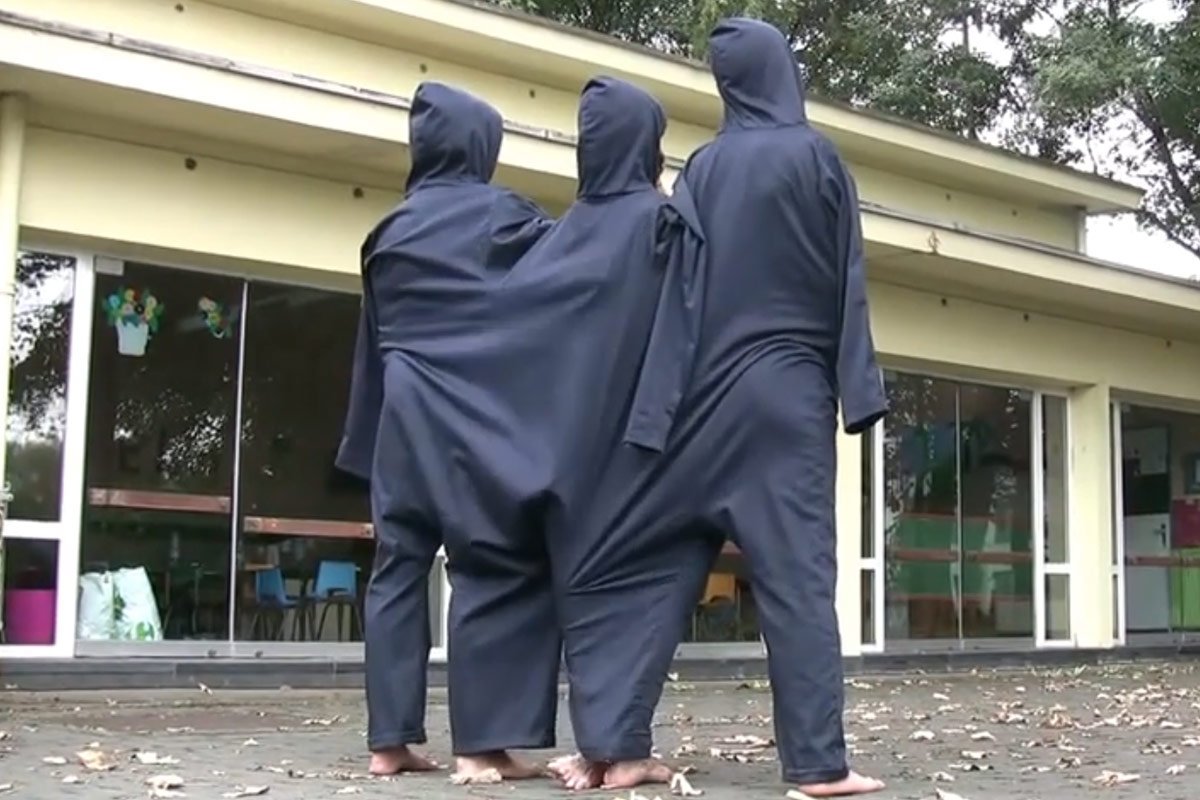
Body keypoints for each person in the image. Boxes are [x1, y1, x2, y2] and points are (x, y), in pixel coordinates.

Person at [554, 17, 890, 797]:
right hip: (787, 397)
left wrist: (652, 407)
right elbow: (847, 274)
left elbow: (677, 284)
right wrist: (859, 390)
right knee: (796, 577)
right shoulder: (816, 156)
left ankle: (614, 747)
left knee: (651, 563)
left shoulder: (702, 168)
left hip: (698, 402)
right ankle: (818, 766)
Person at [335, 80, 557, 782]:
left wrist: (363, 445)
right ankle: (482, 746)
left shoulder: (385, 234)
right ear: (478, 147)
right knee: (490, 564)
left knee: (397, 568)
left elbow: (372, 348)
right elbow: (563, 297)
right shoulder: (506, 215)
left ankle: (389, 742)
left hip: (400, 420)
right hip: (471, 415)